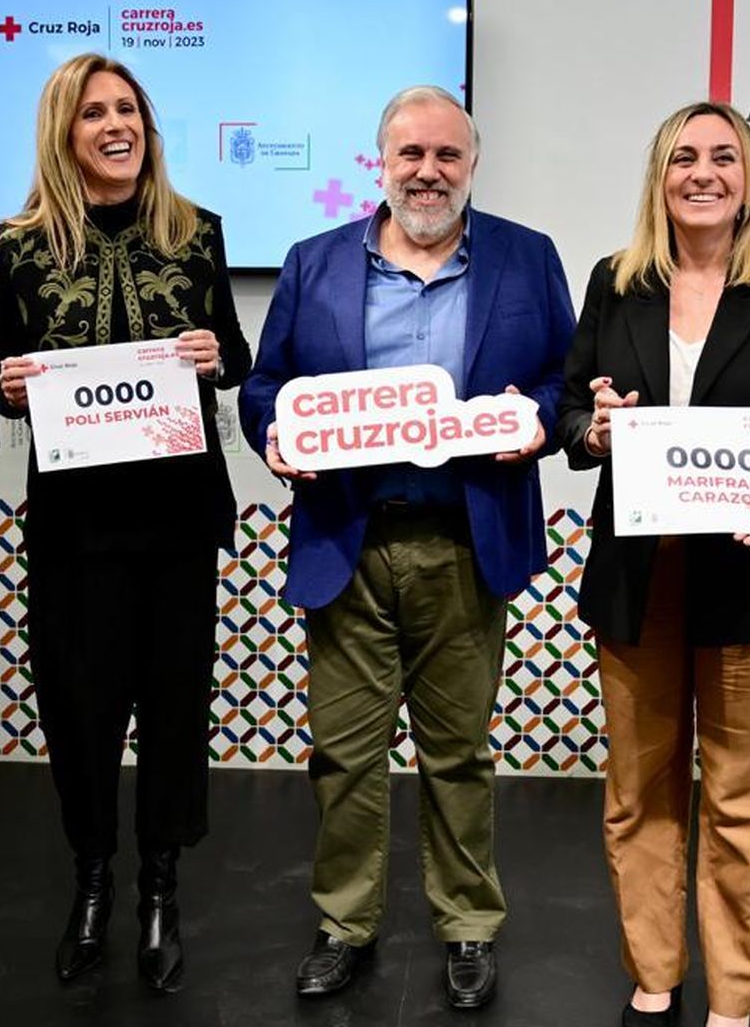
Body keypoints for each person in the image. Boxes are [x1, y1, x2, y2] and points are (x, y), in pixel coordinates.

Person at [238, 85, 575, 1009]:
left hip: (467, 541)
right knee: (344, 755)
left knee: (457, 751)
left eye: (448, 156)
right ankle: (345, 922)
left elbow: (561, 378)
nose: (429, 172)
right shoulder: (315, 263)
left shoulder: (526, 257)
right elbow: (267, 386)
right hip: (350, 537)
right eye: (411, 156)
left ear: (472, 164)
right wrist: (274, 433)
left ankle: (467, 924)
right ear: (380, 164)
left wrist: (536, 423)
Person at [556, 103, 750, 1027]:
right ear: (660, 178)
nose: (703, 172)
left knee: (746, 803)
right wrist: (592, 428)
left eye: (724, 156)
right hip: (642, 580)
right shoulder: (616, 280)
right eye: (684, 157)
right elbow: (572, 414)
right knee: (639, 793)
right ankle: (654, 970)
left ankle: (735, 995)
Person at [0, 53, 250, 991]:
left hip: (176, 518)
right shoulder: (19, 245)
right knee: (82, 714)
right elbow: (2, 384)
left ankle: (161, 889)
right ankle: (93, 877)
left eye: (128, 109)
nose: (116, 125)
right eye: (95, 112)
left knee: (174, 711)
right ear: (66, 132)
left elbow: (238, 358)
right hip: (75, 526)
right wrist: (6, 386)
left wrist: (218, 352)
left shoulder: (197, 232)